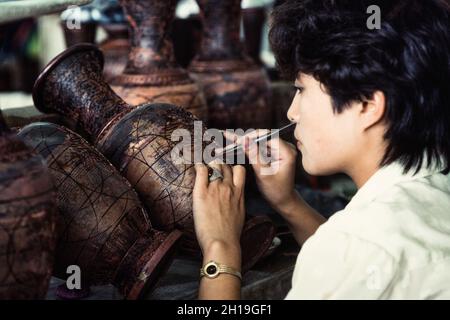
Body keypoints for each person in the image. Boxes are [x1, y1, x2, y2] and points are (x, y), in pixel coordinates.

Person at [192, 0, 450, 299]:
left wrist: (220, 248)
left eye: (301, 90)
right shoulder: (434, 189)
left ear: (367, 106)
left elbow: (352, 254)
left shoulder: (357, 244)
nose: (292, 112)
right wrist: (288, 202)